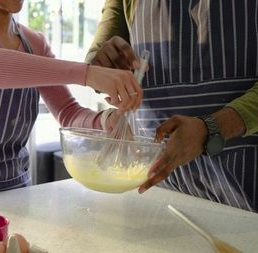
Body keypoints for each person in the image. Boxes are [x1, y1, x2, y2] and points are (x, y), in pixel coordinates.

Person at [0, 0, 144, 204]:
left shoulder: (35, 43)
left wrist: (105, 120)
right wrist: (87, 74)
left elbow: (68, 112)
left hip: (15, 188)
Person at [86, 0, 258, 212]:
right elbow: (95, 61)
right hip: (153, 191)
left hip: (245, 191)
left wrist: (211, 128)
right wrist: (103, 64)